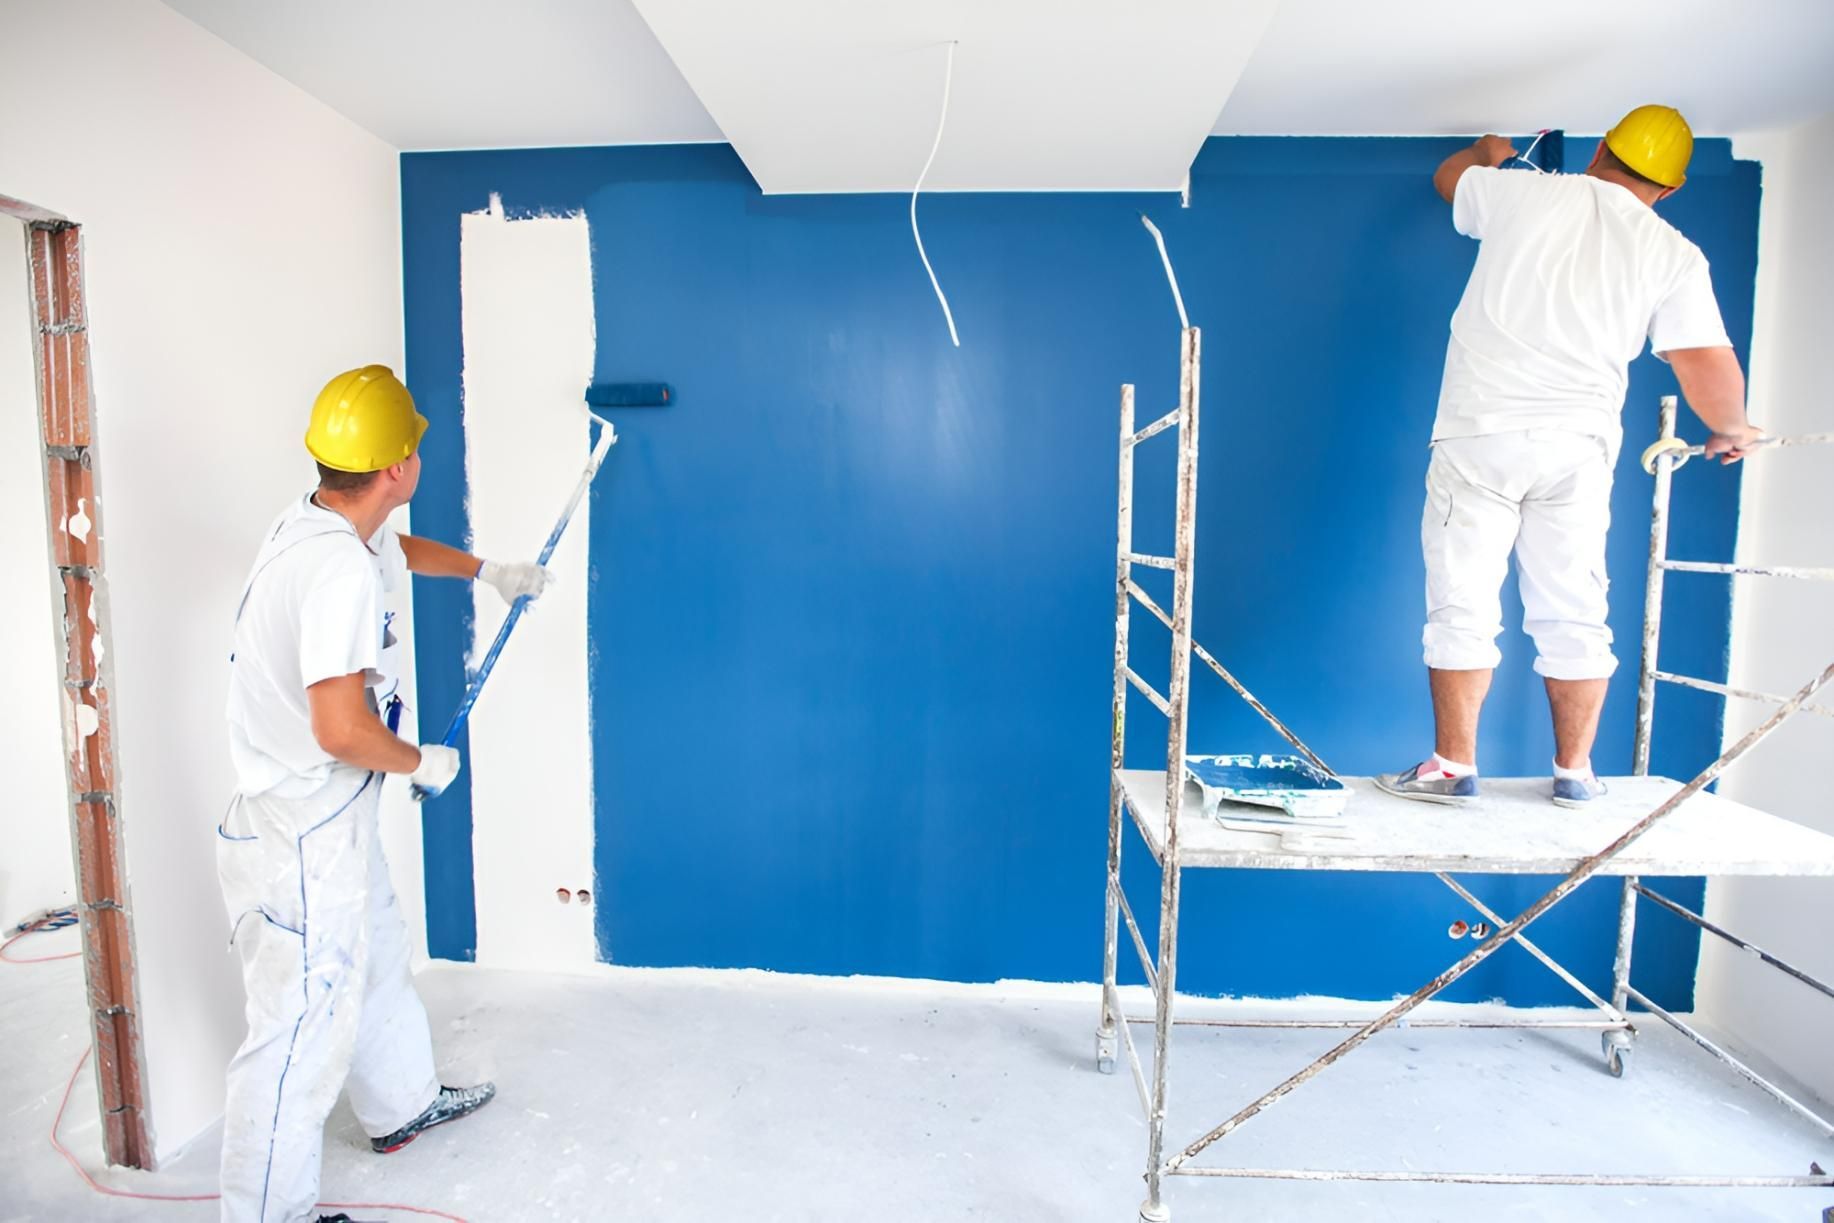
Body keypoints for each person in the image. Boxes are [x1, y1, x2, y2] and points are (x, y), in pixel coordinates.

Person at [219, 365, 551, 1222]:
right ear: (400, 465)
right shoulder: (335, 577)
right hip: (302, 822)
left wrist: (488, 571)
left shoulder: (331, 527)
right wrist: (419, 761)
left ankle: (399, 1106)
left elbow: (399, 552)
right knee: (297, 1032)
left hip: (325, 809)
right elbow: (338, 725)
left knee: (373, 946)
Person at [1377, 106, 1763, 808]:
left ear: (1600, 154)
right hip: (1577, 447)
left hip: (1479, 433)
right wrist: (1730, 427)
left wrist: (1484, 151)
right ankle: (1576, 773)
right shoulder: (1672, 250)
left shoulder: (1525, 191)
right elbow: (1705, 359)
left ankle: (1452, 765)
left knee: (1461, 602)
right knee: (1575, 609)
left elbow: (1447, 180)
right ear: (1669, 189)